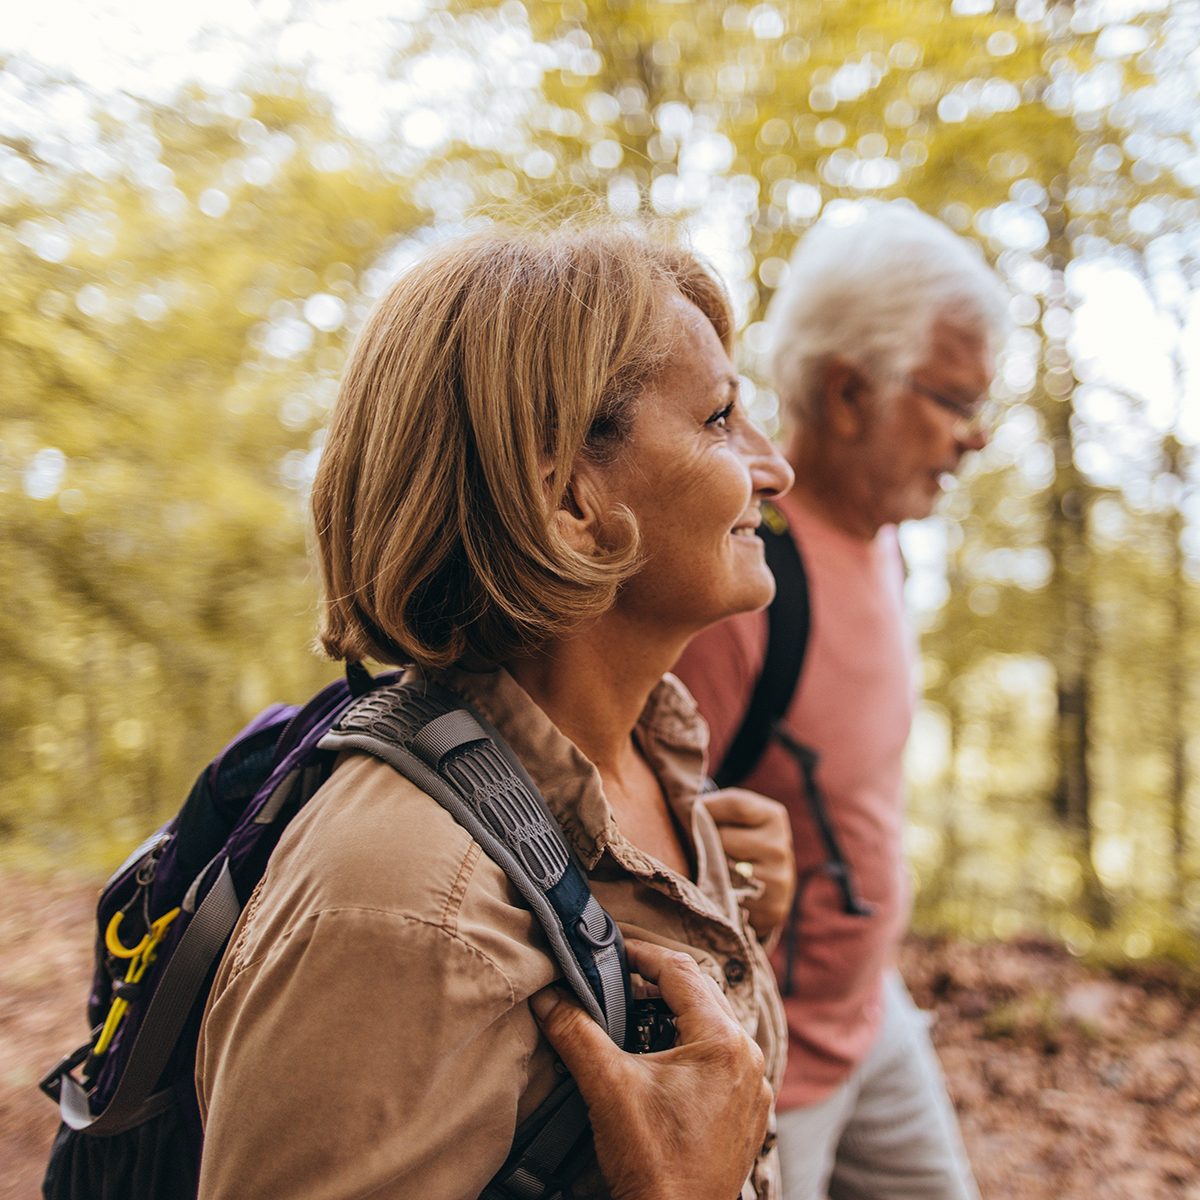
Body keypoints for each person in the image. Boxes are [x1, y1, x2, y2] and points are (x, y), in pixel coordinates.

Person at [194, 224, 796, 1199]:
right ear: (567, 501)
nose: (773, 471)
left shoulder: (647, 757)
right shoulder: (401, 905)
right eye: (721, 417)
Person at [673, 203, 1009, 1200]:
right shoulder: (739, 586)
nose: (975, 438)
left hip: (876, 1013)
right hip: (775, 1061)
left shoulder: (885, 538)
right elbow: (626, 845)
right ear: (850, 391)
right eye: (954, 400)